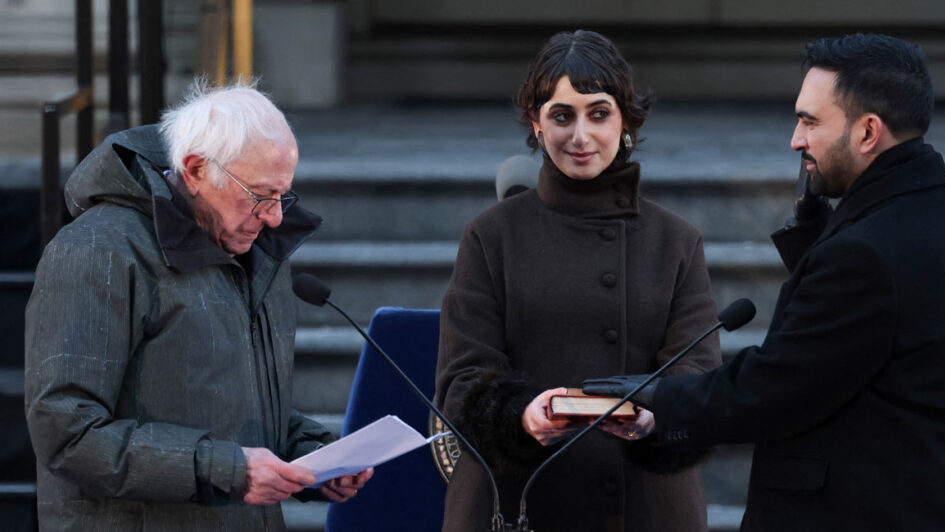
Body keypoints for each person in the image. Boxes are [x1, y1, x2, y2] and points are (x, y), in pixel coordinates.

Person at [584, 34, 945, 531]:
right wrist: (818, 242)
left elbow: (780, 385)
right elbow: (854, 346)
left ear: (868, 132)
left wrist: (658, 401)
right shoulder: (933, 208)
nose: (796, 140)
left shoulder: (866, 253)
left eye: (810, 121)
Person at [24, 81, 373, 531]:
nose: (275, 218)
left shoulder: (254, 251)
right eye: (261, 195)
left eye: (283, 196)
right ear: (194, 170)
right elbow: (66, 431)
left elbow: (234, 409)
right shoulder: (96, 251)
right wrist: (228, 470)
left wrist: (314, 457)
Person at [434, 30, 721, 531]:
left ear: (626, 120)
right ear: (536, 123)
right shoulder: (490, 235)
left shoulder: (676, 240)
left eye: (599, 113)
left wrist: (656, 417)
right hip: (516, 502)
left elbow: (699, 376)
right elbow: (461, 384)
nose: (581, 136)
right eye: (562, 116)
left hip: (644, 509)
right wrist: (523, 417)